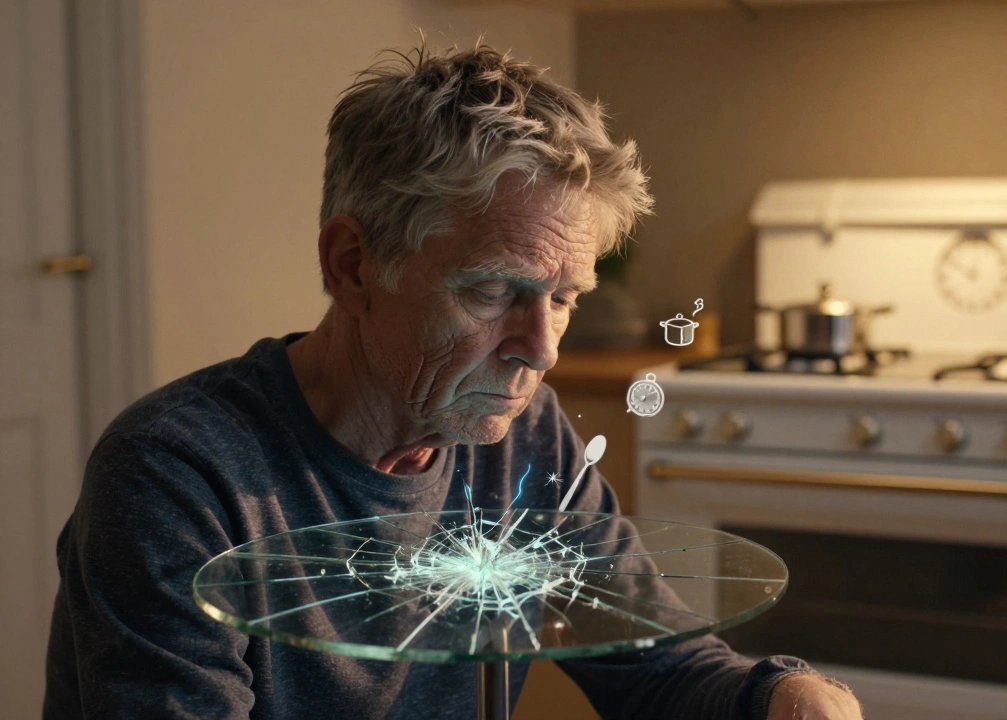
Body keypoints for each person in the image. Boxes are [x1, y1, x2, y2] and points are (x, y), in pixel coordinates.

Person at [44, 42, 863, 720]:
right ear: (353, 264)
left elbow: (653, 664)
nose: (540, 350)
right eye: (491, 290)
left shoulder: (523, 437)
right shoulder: (176, 477)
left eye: (565, 298)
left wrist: (785, 698)